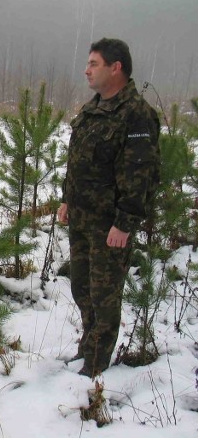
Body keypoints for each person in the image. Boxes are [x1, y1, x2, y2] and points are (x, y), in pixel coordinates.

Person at [57, 38, 160, 378]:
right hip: (82, 219)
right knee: (81, 286)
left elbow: (139, 174)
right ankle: (87, 349)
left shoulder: (136, 115)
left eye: (94, 64)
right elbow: (79, 160)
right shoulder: (93, 108)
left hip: (110, 225)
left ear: (116, 67)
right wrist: (66, 198)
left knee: (104, 294)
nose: (86, 70)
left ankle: (96, 365)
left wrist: (125, 222)